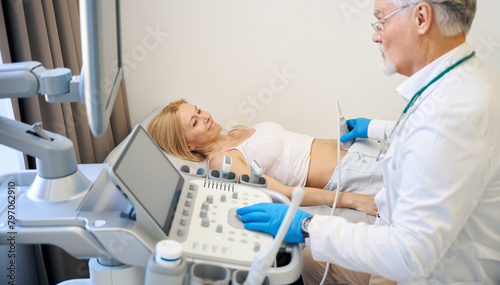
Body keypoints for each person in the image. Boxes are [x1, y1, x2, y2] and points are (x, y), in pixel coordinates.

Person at [237, 0, 500, 285]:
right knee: (307, 263)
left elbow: (411, 255)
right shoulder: (466, 80)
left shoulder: (450, 115)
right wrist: (372, 127)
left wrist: (307, 226)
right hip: (409, 244)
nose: (375, 35)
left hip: (428, 276)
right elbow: (420, 136)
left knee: (297, 262)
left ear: (421, 18)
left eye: (381, 20)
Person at [147, 99, 384, 215]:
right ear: (188, 146)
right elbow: (285, 193)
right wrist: (354, 200)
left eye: (198, 110)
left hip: (361, 149)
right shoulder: (222, 162)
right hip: (355, 172)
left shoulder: (235, 133)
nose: (205, 116)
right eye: (195, 122)